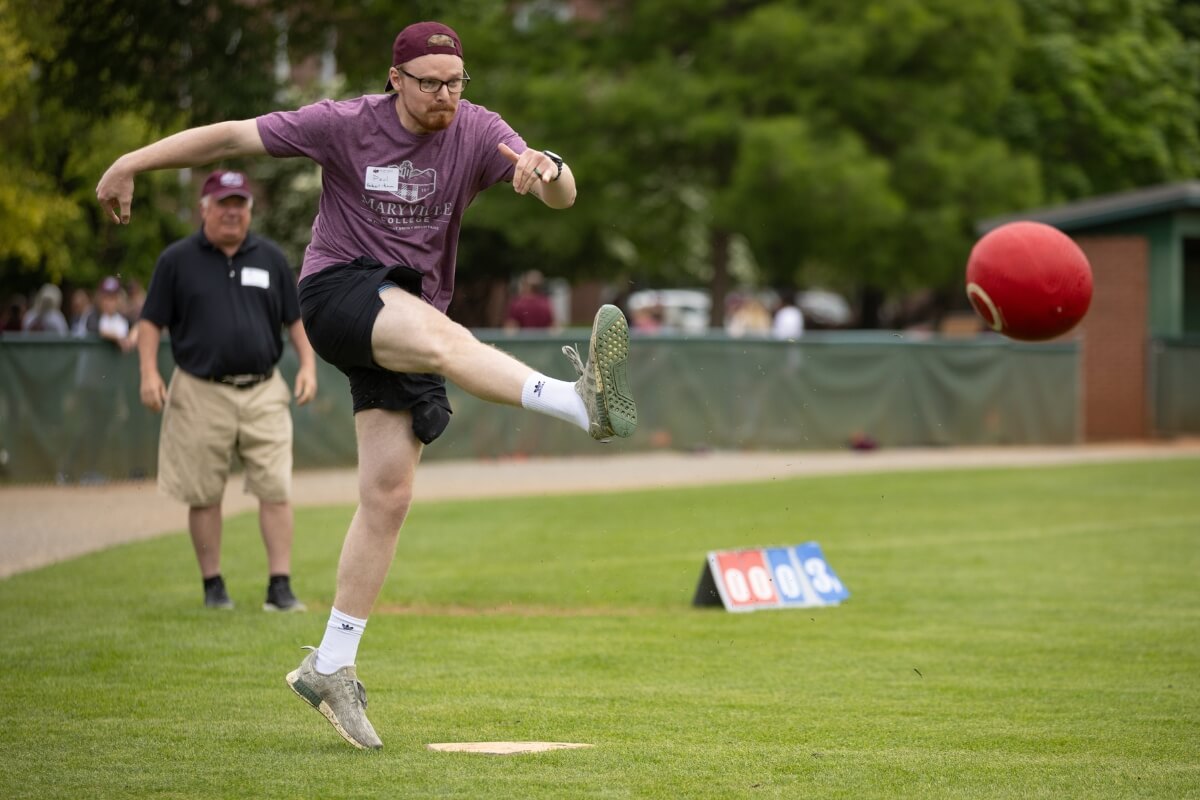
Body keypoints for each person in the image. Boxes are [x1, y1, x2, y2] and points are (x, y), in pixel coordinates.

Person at [96, 20, 637, 750]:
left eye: (456, 82)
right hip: (340, 292)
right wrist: (133, 159)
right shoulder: (342, 124)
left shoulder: (477, 130)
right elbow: (229, 136)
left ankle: (331, 665)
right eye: (431, 83)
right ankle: (579, 402)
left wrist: (548, 167)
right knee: (450, 344)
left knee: (388, 498)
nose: (445, 95)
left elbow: (560, 193)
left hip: (406, 312)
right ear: (396, 78)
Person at [135, 170, 319, 613]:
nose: (232, 211)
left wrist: (309, 365)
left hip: (262, 390)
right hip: (200, 390)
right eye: (223, 203)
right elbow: (149, 322)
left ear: (250, 210)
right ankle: (213, 586)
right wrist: (147, 373)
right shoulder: (177, 260)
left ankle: (280, 586)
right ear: (204, 209)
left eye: (240, 203)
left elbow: (295, 321)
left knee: (275, 487)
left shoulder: (271, 257)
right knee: (204, 493)